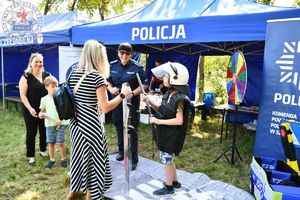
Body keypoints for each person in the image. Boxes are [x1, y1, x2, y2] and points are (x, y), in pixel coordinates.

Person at [66, 40, 132, 200]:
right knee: (94, 163)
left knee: (79, 159)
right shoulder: (97, 78)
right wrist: (123, 94)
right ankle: (93, 195)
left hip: (75, 126)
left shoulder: (74, 73)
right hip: (91, 127)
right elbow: (105, 107)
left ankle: (74, 192)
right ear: (98, 56)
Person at [142, 62, 191, 197]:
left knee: (167, 161)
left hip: (172, 136)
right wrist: (149, 102)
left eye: (166, 76)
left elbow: (179, 120)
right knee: (169, 160)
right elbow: (163, 110)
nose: (163, 77)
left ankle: (169, 187)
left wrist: (158, 121)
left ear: (175, 78)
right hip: (166, 134)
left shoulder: (180, 99)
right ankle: (175, 182)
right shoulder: (170, 93)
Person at [107, 42, 148, 170]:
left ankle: (134, 157)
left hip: (131, 103)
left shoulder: (137, 67)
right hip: (117, 102)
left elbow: (144, 85)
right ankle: (121, 151)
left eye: (127, 53)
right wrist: (111, 89)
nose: (124, 55)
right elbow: (108, 81)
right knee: (119, 125)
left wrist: (132, 93)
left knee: (132, 129)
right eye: (122, 53)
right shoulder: (112, 65)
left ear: (131, 54)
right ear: (118, 53)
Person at [19, 53, 51, 166]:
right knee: (31, 132)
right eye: (36, 62)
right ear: (31, 63)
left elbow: (53, 89)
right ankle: (31, 156)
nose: (38, 64)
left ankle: (43, 150)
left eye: (40, 62)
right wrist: (30, 108)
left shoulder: (47, 75)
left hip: (44, 109)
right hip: (30, 109)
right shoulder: (26, 77)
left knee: (44, 130)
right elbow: (23, 95)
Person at [38, 76, 68, 169]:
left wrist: (61, 120)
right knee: (51, 143)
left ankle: (63, 159)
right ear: (46, 87)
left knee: (60, 142)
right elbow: (42, 111)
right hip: (49, 125)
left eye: (56, 86)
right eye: (53, 86)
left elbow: (65, 111)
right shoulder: (44, 99)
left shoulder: (60, 97)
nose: (55, 88)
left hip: (61, 124)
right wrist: (40, 115)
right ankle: (52, 160)